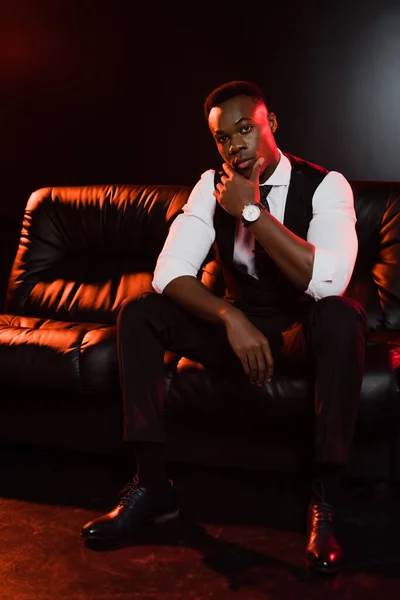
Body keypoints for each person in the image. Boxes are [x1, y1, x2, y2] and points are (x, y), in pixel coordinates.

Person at [81, 80, 368, 574]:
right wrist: (229, 317)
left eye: (245, 130)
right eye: (222, 137)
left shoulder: (326, 185)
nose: (235, 146)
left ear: (270, 124)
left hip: (301, 331)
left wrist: (251, 212)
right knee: (141, 312)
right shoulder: (209, 186)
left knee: (343, 317)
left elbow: (327, 280)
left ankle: (326, 499)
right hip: (236, 329)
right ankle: (152, 486)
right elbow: (169, 272)